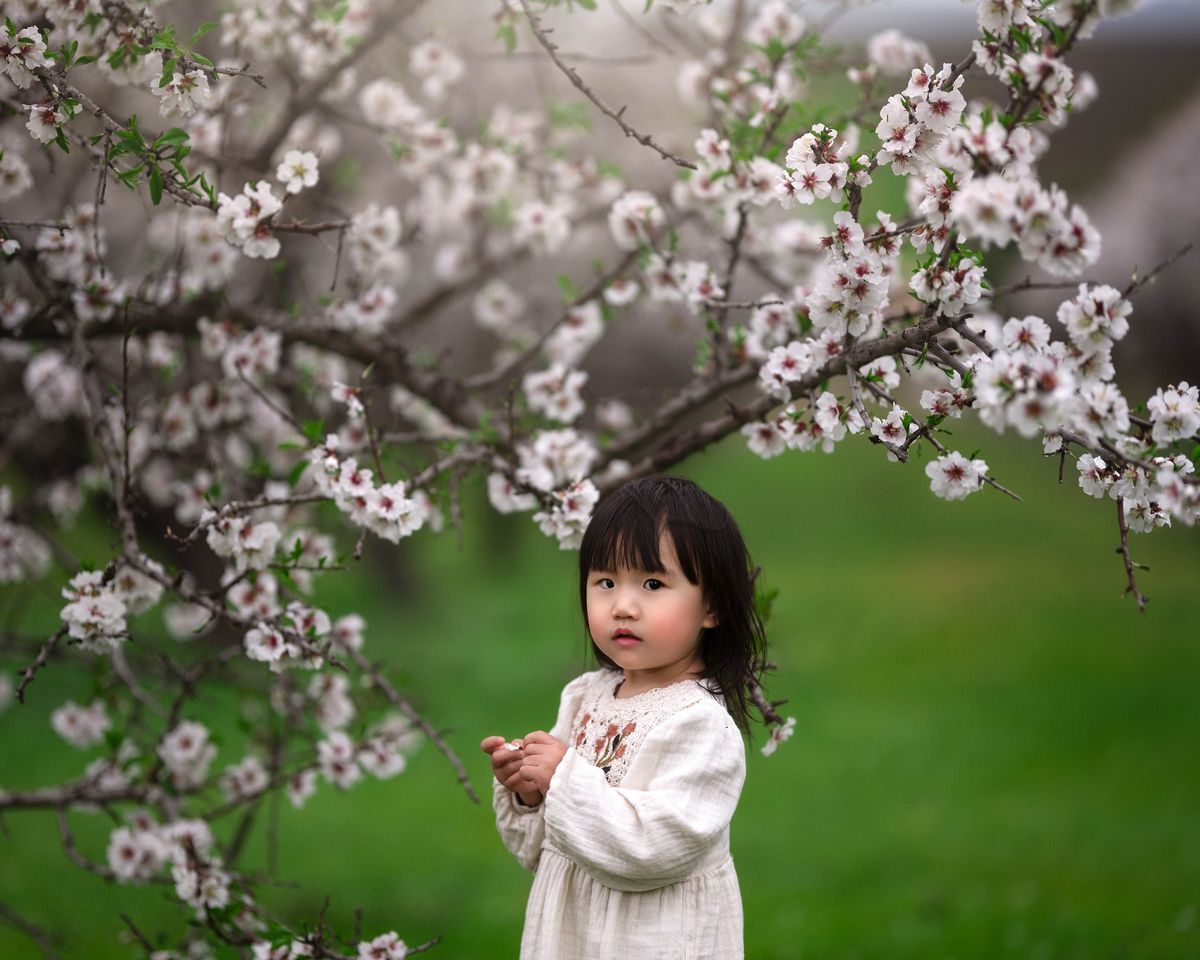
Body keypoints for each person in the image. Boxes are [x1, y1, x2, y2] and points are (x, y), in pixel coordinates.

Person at [481, 475, 767, 960]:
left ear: (712, 606)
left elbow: (652, 849)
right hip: (573, 936)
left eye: (653, 584)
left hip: (652, 939)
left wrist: (563, 780)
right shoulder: (584, 697)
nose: (623, 606)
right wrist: (531, 791)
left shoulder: (700, 724)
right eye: (605, 582)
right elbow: (546, 849)